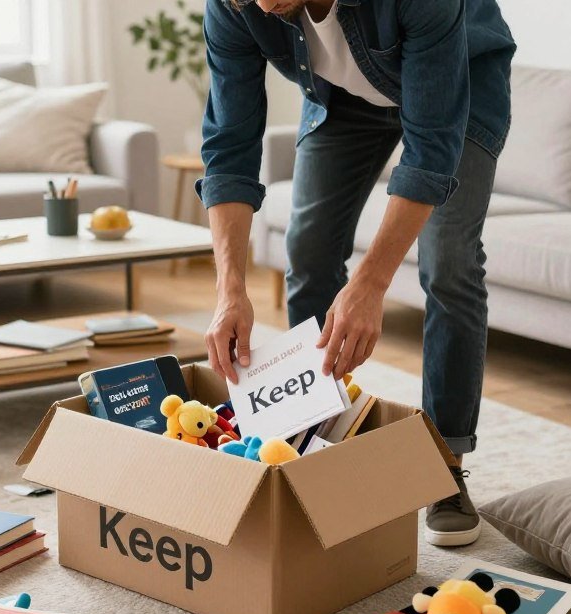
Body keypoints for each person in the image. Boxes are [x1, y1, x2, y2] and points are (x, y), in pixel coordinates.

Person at [197, 0, 514, 547]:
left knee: (449, 264)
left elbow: (432, 146)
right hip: (344, 100)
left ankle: (443, 466)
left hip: (458, 88)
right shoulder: (233, 5)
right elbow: (229, 146)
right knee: (310, 250)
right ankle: (318, 445)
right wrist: (231, 292)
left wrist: (370, 283)